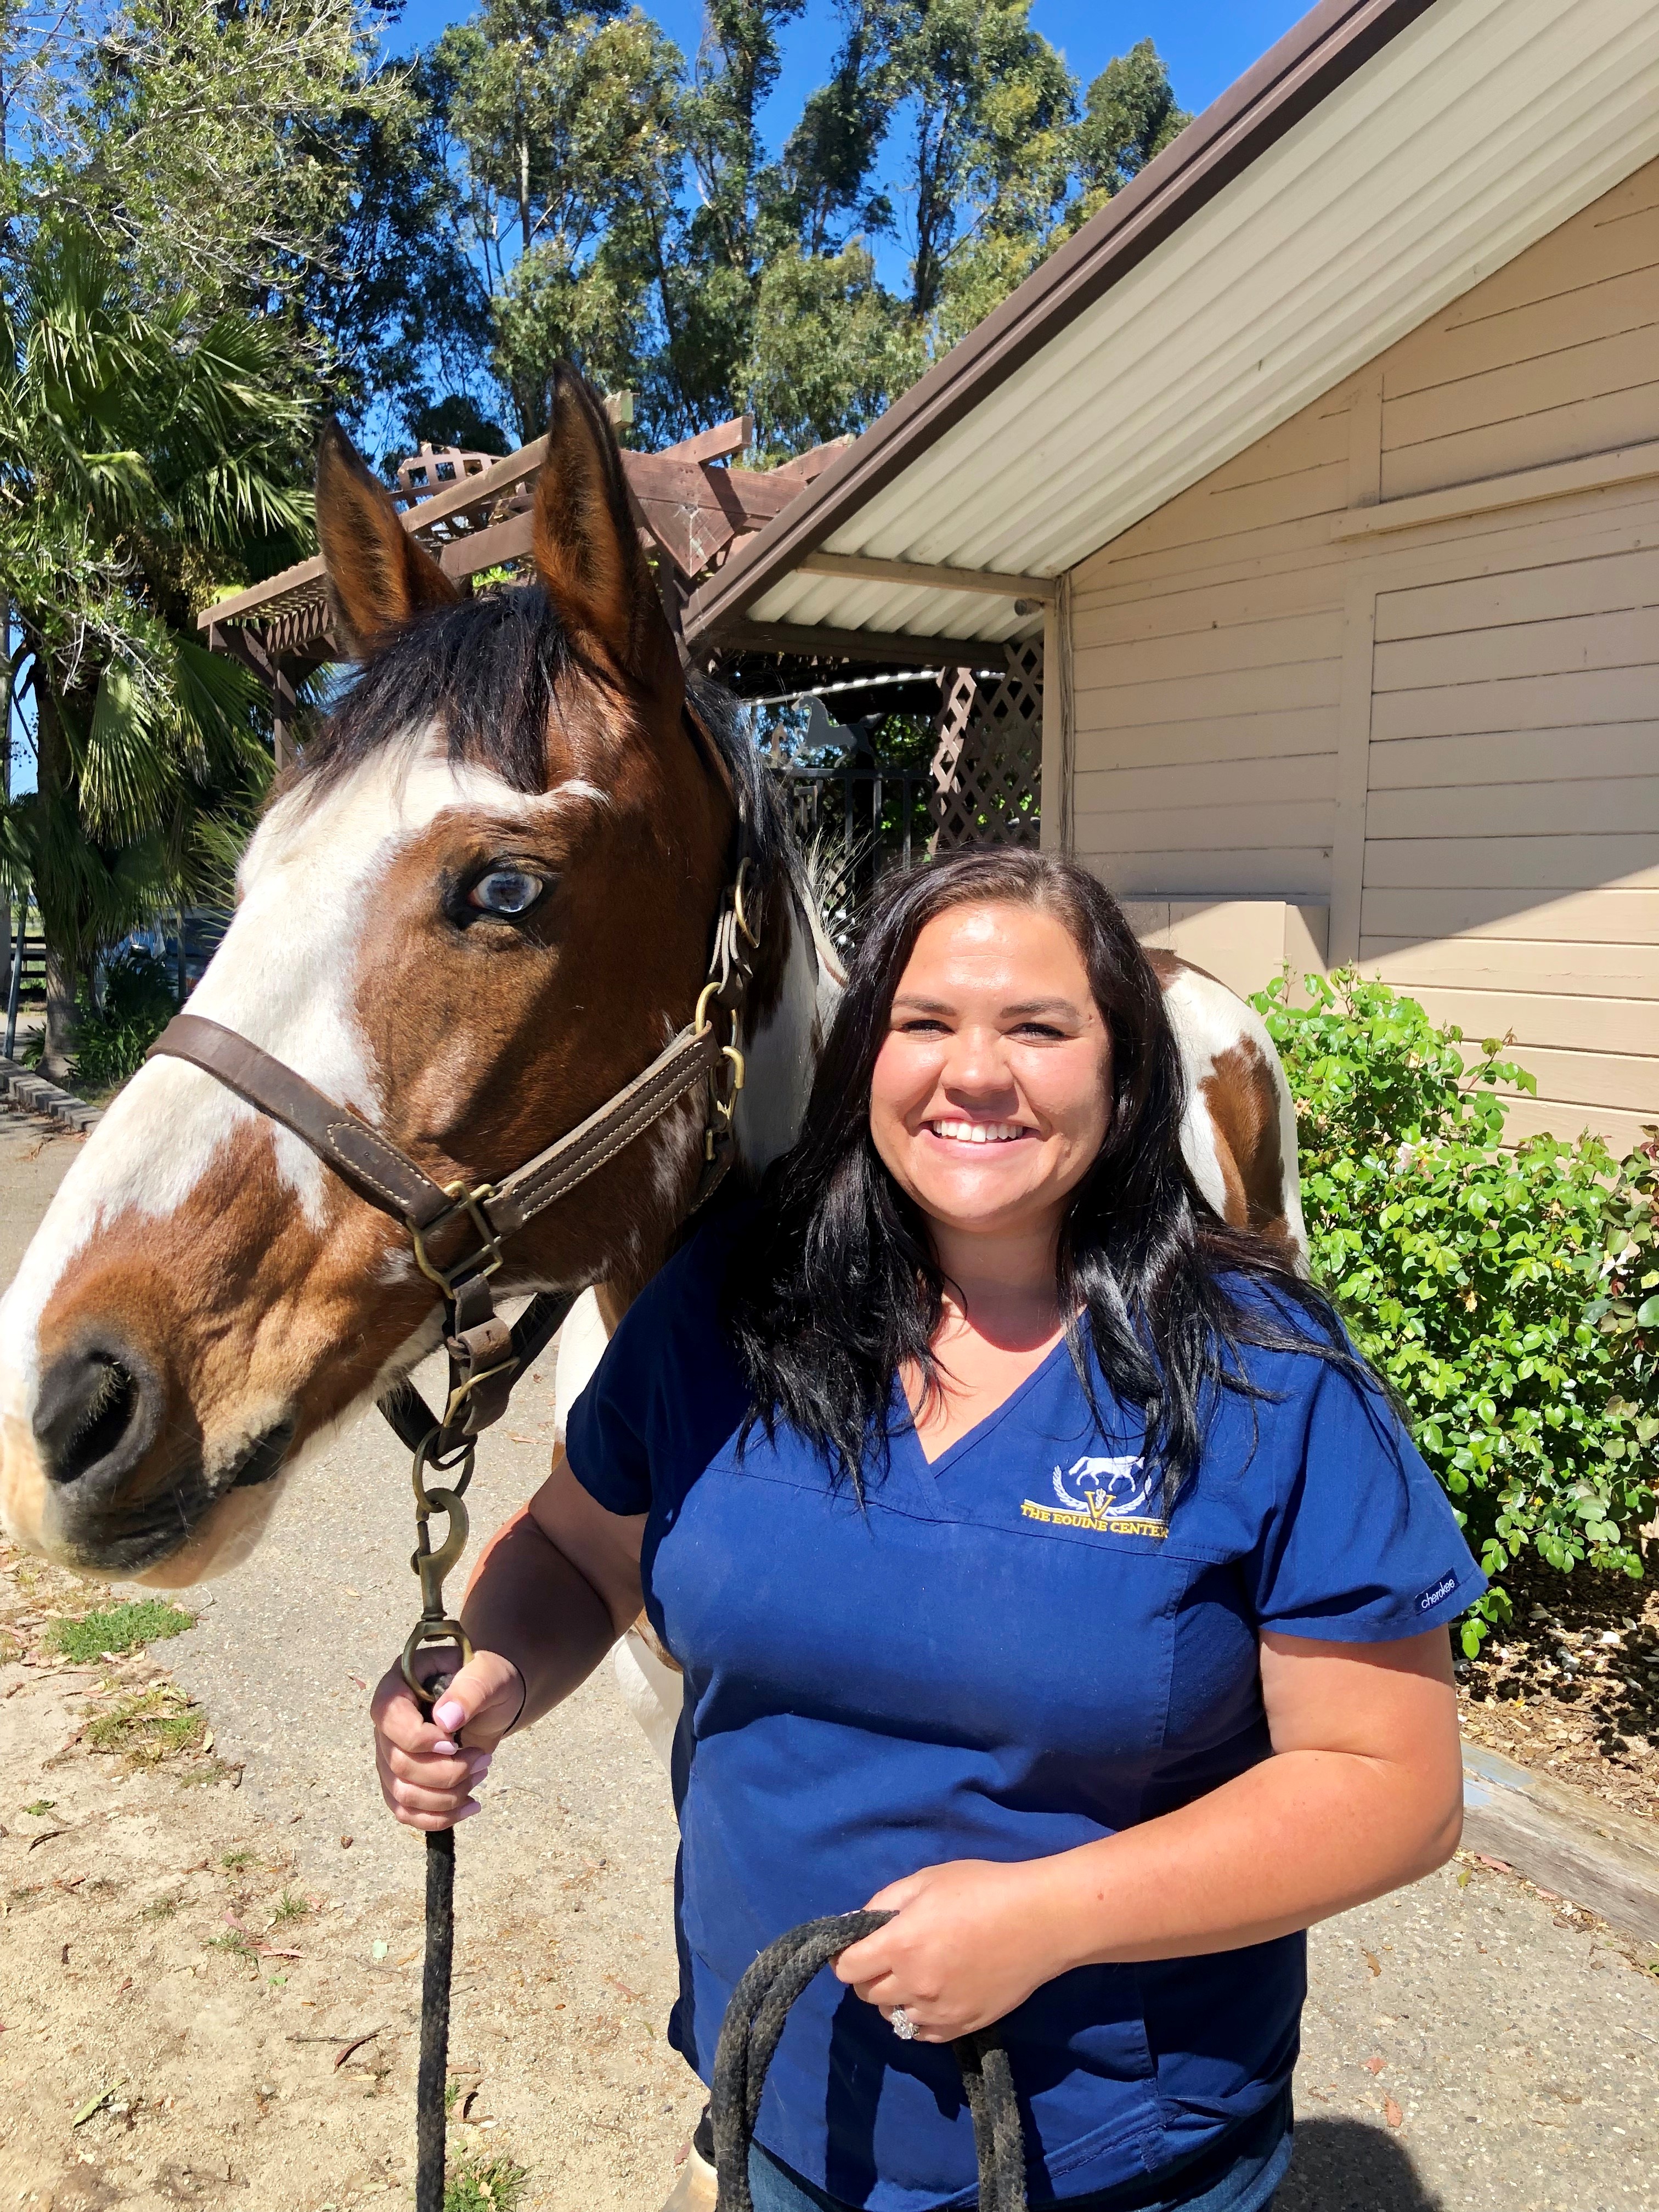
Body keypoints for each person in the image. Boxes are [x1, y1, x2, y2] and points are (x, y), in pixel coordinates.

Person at [370, 852, 1481, 2212]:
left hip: (1113, 2159)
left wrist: (1045, 1920)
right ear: (864, 1064)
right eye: (926, 1024)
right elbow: (574, 1549)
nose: (975, 1073)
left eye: (1038, 1028)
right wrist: (492, 1668)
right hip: (780, 2103)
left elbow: (1393, 1787)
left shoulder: (1266, 1375)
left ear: (1125, 1076)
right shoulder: (724, 1307)